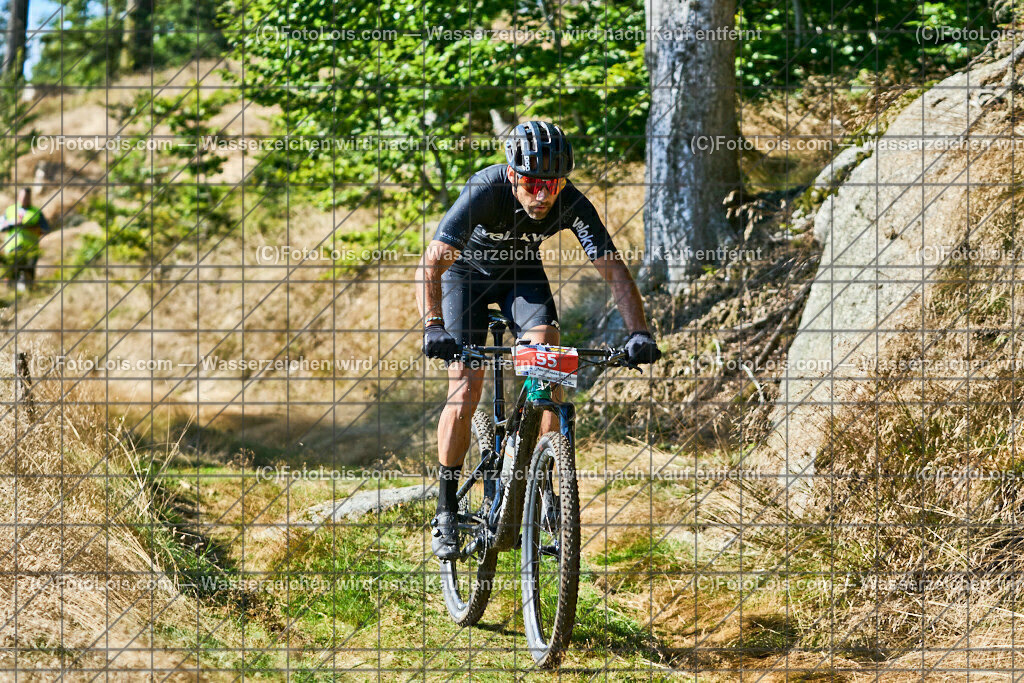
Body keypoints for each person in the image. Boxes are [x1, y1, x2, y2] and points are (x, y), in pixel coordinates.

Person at [415, 121, 662, 559]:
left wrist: (638, 332)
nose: (544, 195)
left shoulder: (570, 202)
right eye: (532, 183)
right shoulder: (485, 190)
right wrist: (433, 325)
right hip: (464, 280)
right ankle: (447, 507)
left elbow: (614, 269)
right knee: (466, 383)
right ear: (513, 176)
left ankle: (548, 477)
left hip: (519, 278)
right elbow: (432, 263)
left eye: (553, 184)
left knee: (546, 351)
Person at [0, 188, 51, 292]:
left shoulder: (36, 212)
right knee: (11, 272)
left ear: (30, 198)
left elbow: (45, 229)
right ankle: (10, 294)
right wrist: (11, 223)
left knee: (28, 273)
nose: (24, 200)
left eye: (26, 198)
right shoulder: (10, 210)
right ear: (18, 197)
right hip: (12, 247)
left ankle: (28, 294)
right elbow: (1, 226)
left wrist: (27, 226)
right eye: (22, 197)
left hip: (30, 248)